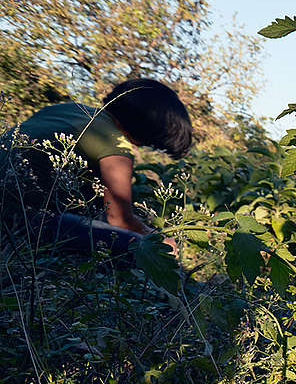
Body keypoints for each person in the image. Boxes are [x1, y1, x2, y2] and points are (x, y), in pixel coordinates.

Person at [1, 78, 191, 258]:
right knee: (140, 247)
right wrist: (158, 239)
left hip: (13, 210)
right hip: (17, 221)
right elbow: (119, 219)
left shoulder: (68, 109)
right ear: (148, 130)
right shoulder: (116, 145)